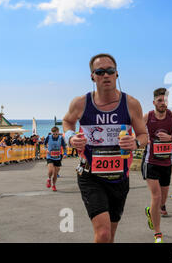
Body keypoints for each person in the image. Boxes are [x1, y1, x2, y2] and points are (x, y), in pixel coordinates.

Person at [63, 53, 148, 243]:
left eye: (110, 71)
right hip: (90, 176)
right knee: (102, 234)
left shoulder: (131, 104)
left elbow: (144, 135)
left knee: (110, 236)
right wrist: (70, 138)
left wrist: (135, 143)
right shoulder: (81, 103)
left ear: (117, 74)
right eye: (100, 72)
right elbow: (67, 122)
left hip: (119, 177)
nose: (105, 75)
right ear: (92, 76)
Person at [142, 87, 172, 243]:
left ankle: (151, 211)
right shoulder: (147, 117)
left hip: (166, 162)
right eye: (159, 100)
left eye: (165, 100)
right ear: (154, 102)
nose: (162, 103)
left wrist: (170, 139)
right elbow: (138, 136)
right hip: (150, 162)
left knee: (162, 201)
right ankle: (158, 233)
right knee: (156, 196)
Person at [44, 126, 67, 191]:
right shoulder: (48, 137)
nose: (55, 135)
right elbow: (44, 144)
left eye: (56, 134)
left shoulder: (61, 138)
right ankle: (48, 179)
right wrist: (46, 150)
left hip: (57, 157)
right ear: (52, 133)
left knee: (55, 174)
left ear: (58, 132)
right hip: (50, 156)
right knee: (51, 170)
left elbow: (64, 147)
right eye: (53, 134)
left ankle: (54, 185)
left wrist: (65, 153)